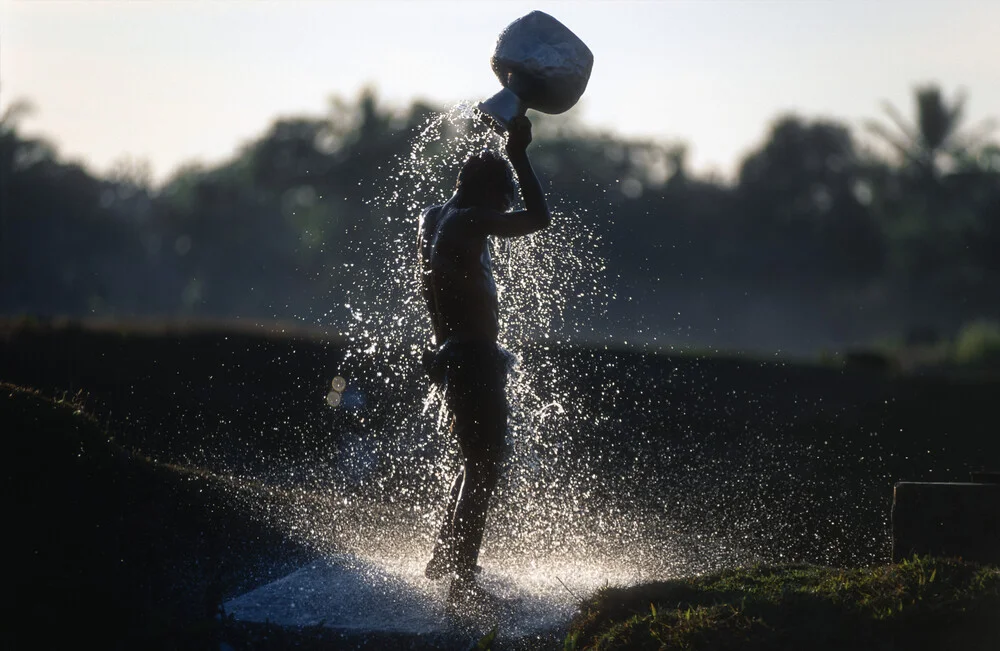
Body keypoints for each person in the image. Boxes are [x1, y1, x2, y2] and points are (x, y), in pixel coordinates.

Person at [417, 116, 550, 602]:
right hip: (472, 358)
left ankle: (447, 555)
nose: (503, 214)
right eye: (502, 203)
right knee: (486, 462)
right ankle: (462, 575)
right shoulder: (470, 218)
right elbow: (538, 219)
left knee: (475, 460)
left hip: (454, 356)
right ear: (490, 198)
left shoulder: (433, 217)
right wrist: (519, 154)